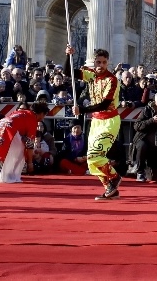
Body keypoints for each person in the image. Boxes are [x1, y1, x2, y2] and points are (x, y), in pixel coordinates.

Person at [67, 46, 123, 200]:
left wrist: (82, 110)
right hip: (96, 121)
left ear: (107, 63)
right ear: (94, 62)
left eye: (104, 62)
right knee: (91, 161)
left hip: (109, 121)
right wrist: (68, 56)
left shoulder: (112, 80)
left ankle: (115, 177)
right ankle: (110, 189)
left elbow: (105, 104)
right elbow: (69, 72)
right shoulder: (90, 74)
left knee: (95, 155)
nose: (101, 65)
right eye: (98, 62)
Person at [0, 101, 48, 183]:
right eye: (44, 115)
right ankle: (8, 175)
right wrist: (30, 163)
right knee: (18, 150)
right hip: (8, 131)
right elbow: (29, 144)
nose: (43, 118)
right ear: (41, 113)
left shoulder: (20, 112)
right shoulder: (32, 119)